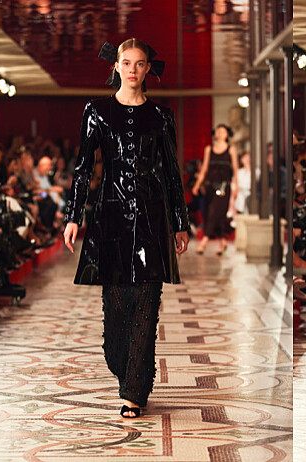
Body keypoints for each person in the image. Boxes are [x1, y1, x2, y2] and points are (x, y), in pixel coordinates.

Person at [62, 38, 189, 419]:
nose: (133, 69)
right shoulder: (97, 111)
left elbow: (172, 173)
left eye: (140, 63)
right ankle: (125, 368)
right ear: (116, 66)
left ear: (149, 68)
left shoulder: (162, 116)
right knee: (116, 312)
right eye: (127, 62)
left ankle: (135, 390)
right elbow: (83, 167)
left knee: (146, 304)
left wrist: (180, 223)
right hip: (110, 218)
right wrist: (73, 215)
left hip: (152, 218)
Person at [191, 124, 239, 255]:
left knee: (215, 212)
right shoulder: (209, 149)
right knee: (214, 214)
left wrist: (236, 186)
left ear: (227, 134)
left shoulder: (231, 149)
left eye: (223, 131)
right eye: (218, 131)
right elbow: (204, 169)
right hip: (211, 186)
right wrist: (197, 184)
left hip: (224, 186)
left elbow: (235, 169)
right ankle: (223, 243)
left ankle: (204, 242)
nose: (220, 134)